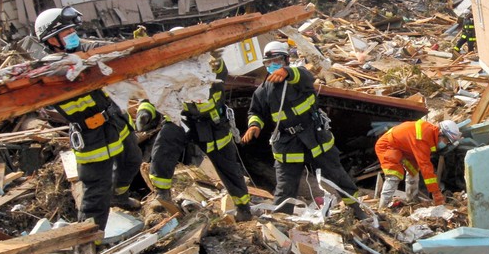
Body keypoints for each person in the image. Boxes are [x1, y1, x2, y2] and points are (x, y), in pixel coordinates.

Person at [34, 7, 142, 232]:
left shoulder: (78, 53)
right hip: (91, 135)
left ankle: (119, 196)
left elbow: (98, 48)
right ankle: (88, 243)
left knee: (132, 160)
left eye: (74, 29)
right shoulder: (51, 68)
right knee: (96, 192)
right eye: (67, 32)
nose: (73, 34)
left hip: (114, 122)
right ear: (51, 40)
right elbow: (73, 75)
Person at [244, 40, 363, 218]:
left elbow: (306, 77)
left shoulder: (297, 77)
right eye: (268, 63)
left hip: (314, 136)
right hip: (287, 143)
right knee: (285, 187)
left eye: (276, 61)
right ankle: (281, 221)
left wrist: (288, 72)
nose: (272, 66)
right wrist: (254, 124)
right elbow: (255, 111)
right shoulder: (263, 91)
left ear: (286, 60)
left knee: (337, 176)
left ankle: (358, 211)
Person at [136, 54, 253, 221]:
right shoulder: (170, 71)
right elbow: (153, 92)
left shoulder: (208, 64)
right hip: (184, 119)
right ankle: (162, 194)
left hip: (212, 124)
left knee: (228, 166)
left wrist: (214, 58)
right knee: (164, 146)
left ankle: (243, 208)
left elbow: (219, 70)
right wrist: (145, 110)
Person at [374, 118, 463, 209]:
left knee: (413, 172)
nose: (446, 143)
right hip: (388, 146)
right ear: (441, 134)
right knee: (394, 175)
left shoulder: (431, 134)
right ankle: (383, 207)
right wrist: (436, 193)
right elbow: (425, 166)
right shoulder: (423, 138)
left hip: (404, 149)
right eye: (446, 141)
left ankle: (412, 200)